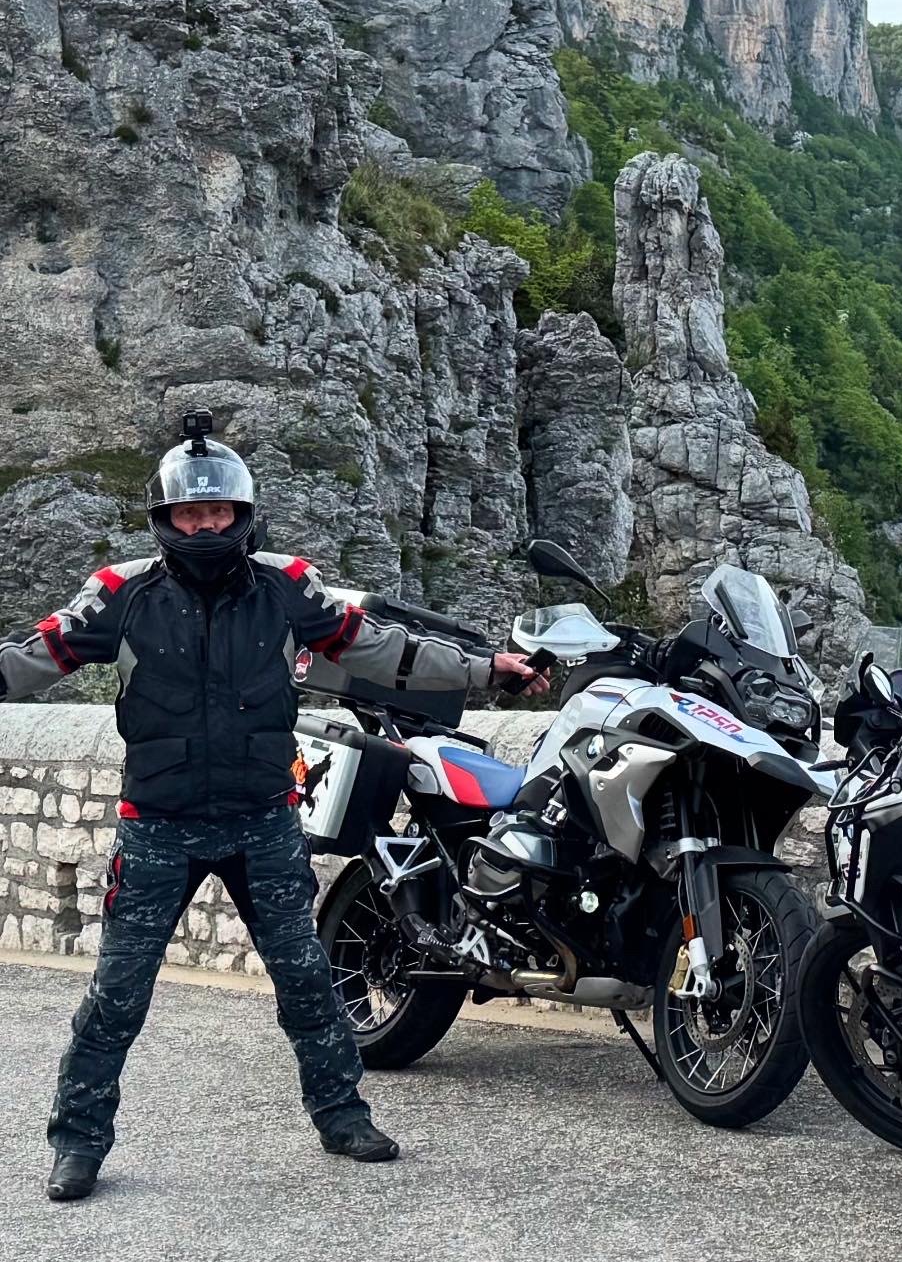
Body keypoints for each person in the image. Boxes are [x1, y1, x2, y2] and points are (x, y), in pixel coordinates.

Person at [0, 414, 546, 1203]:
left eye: (217, 511)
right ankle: (77, 1143)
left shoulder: (288, 586)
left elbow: (381, 646)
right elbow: (34, 655)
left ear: (242, 514)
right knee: (118, 993)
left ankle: (343, 1115)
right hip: (158, 827)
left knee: (308, 981)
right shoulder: (120, 593)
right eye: (190, 512)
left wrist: (484, 668)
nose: (205, 524)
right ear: (165, 518)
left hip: (263, 822)